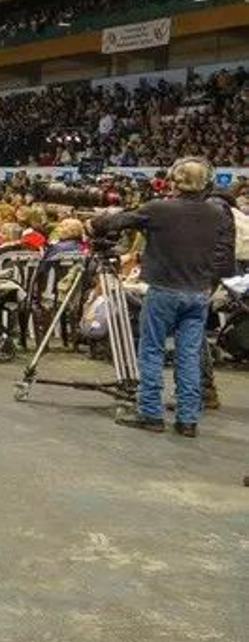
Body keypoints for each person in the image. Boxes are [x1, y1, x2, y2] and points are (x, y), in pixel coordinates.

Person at [91, 157, 236, 437]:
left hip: (164, 291)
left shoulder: (159, 209)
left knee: (152, 350)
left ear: (174, 181)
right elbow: (224, 260)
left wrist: (97, 222)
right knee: (189, 355)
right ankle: (188, 419)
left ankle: (150, 412)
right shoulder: (219, 213)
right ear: (205, 182)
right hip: (198, 293)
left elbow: (115, 222)